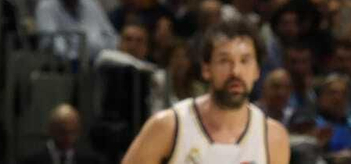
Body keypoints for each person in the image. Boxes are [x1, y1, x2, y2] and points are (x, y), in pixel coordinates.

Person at [120, 19, 289, 164]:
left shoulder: (273, 137)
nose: (235, 71)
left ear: (257, 70)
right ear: (206, 69)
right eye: (224, 61)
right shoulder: (168, 126)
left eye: (245, 61)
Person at [22, 104, 105, 164]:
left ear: (79, 131)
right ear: (51, 130)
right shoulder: (32, 161)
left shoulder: (91, 161)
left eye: (72, 131)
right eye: (62, 131)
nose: (68, 137)